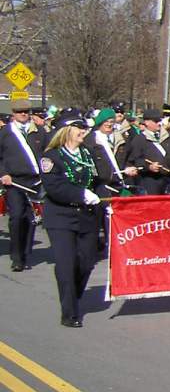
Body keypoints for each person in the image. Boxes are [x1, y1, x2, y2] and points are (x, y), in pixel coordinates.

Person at [40, 110, 103, 327]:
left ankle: (72, 295)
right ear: (66, 130)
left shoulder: (88, 153)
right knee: (66, 264)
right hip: (61, 216)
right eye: (79, 127)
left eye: (84, 128)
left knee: (86, 262)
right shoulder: (51, 157)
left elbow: (98, 181)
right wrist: (81, 194)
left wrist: (108, 198)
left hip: (87, 216)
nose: (84, 132)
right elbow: (54, 187)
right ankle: (69, 312)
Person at [0, 103, 43, 271]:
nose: (23, 114)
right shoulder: (5, 133)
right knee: (17, 216)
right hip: (14, 181)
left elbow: (47, 154)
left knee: (30, 219)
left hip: (35, 181)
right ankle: (16, 257)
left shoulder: (38, 132)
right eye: (19, 112)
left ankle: (25, 253)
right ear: (14, 113)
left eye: (26, 112)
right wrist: (3, 174)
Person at [87, 108, 138, 198]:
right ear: (100, 122)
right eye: (106, 121)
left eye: (111, 121)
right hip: (101, 186)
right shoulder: (90, 140)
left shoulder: (123, 139)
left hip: (120, 183)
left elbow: (129, 158)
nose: (109, 124)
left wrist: (129, 167)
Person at [121, 109, 170, 195]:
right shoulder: (139, 139)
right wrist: (149, 167)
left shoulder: (167, 137)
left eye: (160, 121)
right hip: (149, 180)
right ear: (147, 122)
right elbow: (135, 160)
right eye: (156, 121)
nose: (159, 123)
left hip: (168, 179)